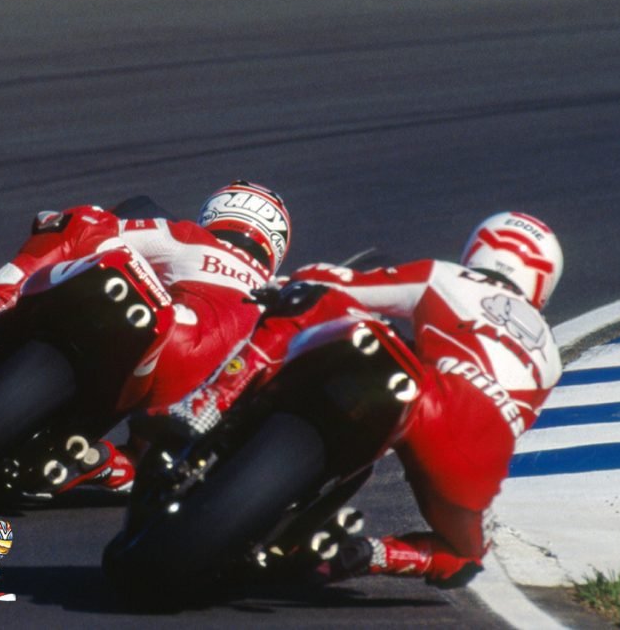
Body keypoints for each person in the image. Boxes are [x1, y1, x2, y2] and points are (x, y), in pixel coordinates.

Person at [164, 211, 563, 588]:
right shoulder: (550, 355)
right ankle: (369, 553)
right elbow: (506, 427)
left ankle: (209, 402)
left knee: (316, 296)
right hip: (476, 457)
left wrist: (291, 284)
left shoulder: (448, 276)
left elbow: (344, 286)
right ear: (543, 283)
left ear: (479, 248)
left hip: (428, 398)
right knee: (465, 558)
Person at [0, 181, 291, 493]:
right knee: (157, 457)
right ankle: (107, 464)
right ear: (276, 247)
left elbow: (109, 232)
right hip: (196, 392)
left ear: (217, 213)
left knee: (80, 221)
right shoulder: (283, 300)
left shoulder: (191, 236)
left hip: (172, 331)